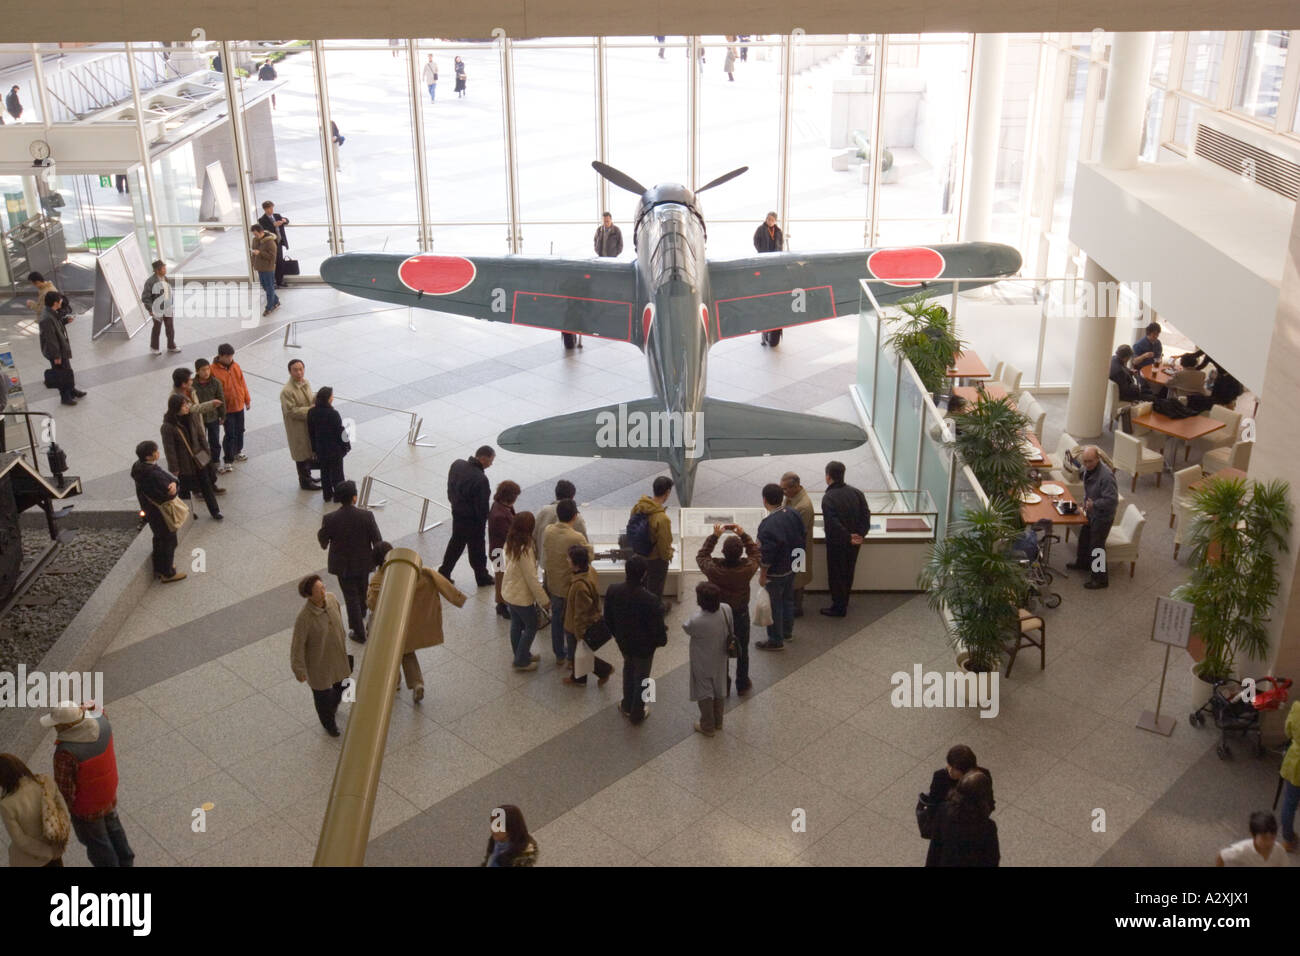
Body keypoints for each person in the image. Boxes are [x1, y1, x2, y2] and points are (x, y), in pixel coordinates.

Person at [367, 542, 466, 702]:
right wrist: (458, 598)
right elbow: (436, 578)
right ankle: (417, 684)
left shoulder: (378, 579)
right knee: (407, 652)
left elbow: (372, 603)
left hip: (386, 626)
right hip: (406, 625)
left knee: (388, 655)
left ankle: (395, 682)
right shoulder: (411, 571)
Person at [46, 702, 134, 867]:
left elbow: (65, 792)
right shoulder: (103, 723)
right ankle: (126, 860)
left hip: (86, 808)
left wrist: (61, 813)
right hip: (108, 792)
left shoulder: (65, 753)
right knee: (114, 828)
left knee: (98, 843)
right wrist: (86, 708)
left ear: (63, 726)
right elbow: (98, 707)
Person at [696, 523, 759, 695]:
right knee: (743, 649)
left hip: (720, 615)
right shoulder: (747, 569)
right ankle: (743, 683)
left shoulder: (714, 570)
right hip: (740, 613)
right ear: (740, 553)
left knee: (720, 650)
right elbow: (755, 554)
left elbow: (702, 556)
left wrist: (714, 536)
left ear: (723, 552)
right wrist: (744, 534)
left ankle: (724, 683)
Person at [605, 554, 668, 721]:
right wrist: (660, 641)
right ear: (644, 574)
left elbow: (608, 618)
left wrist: (617, 635)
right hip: (644, 647)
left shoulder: (613, 590)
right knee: (642, 676)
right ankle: (637, 712)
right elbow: (657, 628)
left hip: (624, 642)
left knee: (628, 668)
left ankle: (626, 704)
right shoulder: (651, 600)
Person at [318, 480, 383, 642]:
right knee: (362, 588)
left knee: (350, 596)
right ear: (354, 498)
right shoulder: (366, 516)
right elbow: (377, 541)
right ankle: (362, 611)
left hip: (342, 566)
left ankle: (359, 632)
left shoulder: (330, 519)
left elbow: (323, 541)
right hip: (363, 562)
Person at [291, 575, 352, 737]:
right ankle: (328, 723)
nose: (324, 592)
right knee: (322, 696)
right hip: (318, 663)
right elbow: (297, 646)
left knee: (344, 684)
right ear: (309, 596)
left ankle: (331, 708)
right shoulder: (304, 618)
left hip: (337, 655)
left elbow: (338, 617)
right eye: (319, 591)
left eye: (323, 587)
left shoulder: (331, 599)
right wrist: (299, 670)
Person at [923, 745, 994, 866]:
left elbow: (989, 801)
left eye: (955, 768)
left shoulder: (981, 778)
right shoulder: (940, 777)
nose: (949, 770)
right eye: (949, 764)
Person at [543, 498, 593, 670]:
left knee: (556, 619)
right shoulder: (576, 537)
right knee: (571, 623)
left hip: (553, 584)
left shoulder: (548, 531)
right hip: (570, 587)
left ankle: (559, 654)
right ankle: (571, 657)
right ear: (574, 516)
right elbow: (589, 556)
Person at [755, 482, 805, 651]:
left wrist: (763, 575)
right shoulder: (793, 513)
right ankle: (787, 632)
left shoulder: (767, 525)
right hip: (792, 566)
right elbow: (801, 539)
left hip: (775, 573)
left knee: (774, 605)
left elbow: (766, 555)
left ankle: (775, 640)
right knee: (788, 600)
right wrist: (799, 565)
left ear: (764, 500)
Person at [438, 445, 496, 587]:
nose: (491, 464)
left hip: (458, 514)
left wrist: (455, 504)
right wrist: (483, 522)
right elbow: (482, 506)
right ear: (483, 459)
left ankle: (444, 572)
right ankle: (481, 576)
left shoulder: (457, 464)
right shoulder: (481, 479)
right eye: (490, 461)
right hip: (473, 521)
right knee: (477, 549)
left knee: (456, 544)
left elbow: (450, 488)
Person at [0, 752, 69, 867]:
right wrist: (56, 849)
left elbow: (20, 840)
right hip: (55, 850)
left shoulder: (7, 805)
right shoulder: (45, 782)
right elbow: (63, 812)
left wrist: (46, 853)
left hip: (31, 861)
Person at [501, 512, 549, 671]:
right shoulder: (525, 550)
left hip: (509, 592)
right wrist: (544, 600)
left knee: (516, 624)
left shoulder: (510, 541)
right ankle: (521, 661)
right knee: (531, 625)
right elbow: (531, 579)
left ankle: (521, 654)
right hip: (521, 597)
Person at [821, 460, 870, 617]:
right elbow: (866, 515)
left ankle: (838, 607)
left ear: (828, 476)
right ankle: (845, 600)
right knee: (849, 571)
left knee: (836, 574)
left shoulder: (828, 498)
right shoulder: (857, 493)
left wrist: (847, 536)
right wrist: (860, 535)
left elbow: (832, 524)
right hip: (855, 543)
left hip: (837, 544)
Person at [161, 393, 222, 520]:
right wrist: (174, 468)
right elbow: (169, 449)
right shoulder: (168, 426)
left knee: (206, 485)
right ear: (176, 407)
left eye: (187, 404)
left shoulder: (192, 416)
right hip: (184, 463)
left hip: (198, 458)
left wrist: (207, 452)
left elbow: (200, 435)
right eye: (184, 405)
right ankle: (188, 514)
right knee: (184, 490)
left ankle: (215, 511)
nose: (187, 407)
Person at [132, 440, 185, 583]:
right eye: (155, 451)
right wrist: (175, 486)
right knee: (168, 540)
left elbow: (170, 480)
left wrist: (174, 482)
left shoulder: (139, 467)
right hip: (160, 513)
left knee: (158, 538)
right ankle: (167, 572)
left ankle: (160, 567)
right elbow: (168, 492)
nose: (158, 453)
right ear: (149, 456)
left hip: (150, 511)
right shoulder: (152, 474)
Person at [1065, 445, 1118, 589]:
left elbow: (1112, 500)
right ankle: (1083, 563)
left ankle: (1100, 579)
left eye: (1090, 461)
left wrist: (1094, 504)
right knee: (1084, 538)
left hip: (1102, 516)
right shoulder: (1088, 469)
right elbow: (1081, 471)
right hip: (1091, 512)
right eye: (1085, 461)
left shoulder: (1106, 476)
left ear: (1098, 459)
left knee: (1097, 547)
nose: (1087, 465)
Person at [562, 545, 614, 687]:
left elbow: (580, 614)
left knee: (579, 653)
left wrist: (579, 635)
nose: (567, 560)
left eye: (569, 558)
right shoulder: (590, 571)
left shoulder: (579, 586)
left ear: (576, 564)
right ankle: (580, 678)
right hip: (583, 622)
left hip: (575, 627)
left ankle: (603, 671)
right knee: (580, 654)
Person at [684, 582, 731, 736]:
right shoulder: (726, 609)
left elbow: (687, 628)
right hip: (721, 656)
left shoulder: (697, 620)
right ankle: (719, 722)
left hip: (703, 660)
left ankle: (707, 726)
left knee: (705, 691)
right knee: (719, 688)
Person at [170, 367, 225, 496]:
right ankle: (199, 490)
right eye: (189, 379)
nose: (192, 380)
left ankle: (211, 485)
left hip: (198, 429)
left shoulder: (190, 390)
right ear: (183, 383)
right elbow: (193, 408)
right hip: (190, 435)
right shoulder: (176, 398)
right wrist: (211, 404)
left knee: (206, 459)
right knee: (197, 463)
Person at [630, 476, 675, 610]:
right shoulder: (662, 518)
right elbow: (664, 546)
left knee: (641, 584)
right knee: (655, 589)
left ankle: (641, 608)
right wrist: (669, 556)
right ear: (667, 493)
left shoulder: (638, 507)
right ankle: (655, 612)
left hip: (639, 554)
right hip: (655, 559)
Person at [280, 359, 321, 492]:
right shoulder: (287, 391)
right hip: (297, 427)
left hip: (307, 424)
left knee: (307, 451)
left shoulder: (306, 382)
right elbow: (291, 411)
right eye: (295, 370)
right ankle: (304, 481)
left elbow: (310, 399)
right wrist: (311, 410)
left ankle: (308, 476)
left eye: (301, 369)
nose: (299, 372)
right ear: (290, 371)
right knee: (300, 453)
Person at [210, 343, 251, 472]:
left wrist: (247, 400)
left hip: (239, 405)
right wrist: (219, 412)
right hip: (226, 409)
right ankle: (228, 459)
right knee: (230, 434)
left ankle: (237, 451)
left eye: (231, 356)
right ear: (220, 356)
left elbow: (242, 383)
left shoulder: (235, 366)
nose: (230, 359)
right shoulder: (212, 370)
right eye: (227, 356)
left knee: (240, 430)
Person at [780, 472, 814, 617]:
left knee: (798, 579)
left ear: (795, 487)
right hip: (792, 546)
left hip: (799, 548)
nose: (783, 492)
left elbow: (797, 532)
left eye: (785, 489)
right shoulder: (791, 498)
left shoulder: (804, 506)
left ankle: (797, 608)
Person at [39, 292, 83, 405]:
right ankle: (65, 397)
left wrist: (64, 321)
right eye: (60, 300)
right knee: (61, 375)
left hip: (60, 349)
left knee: (67, 371)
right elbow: (51, 340)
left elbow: (55, 328)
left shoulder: (50, 312)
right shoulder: (47, 318)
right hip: (56, 352)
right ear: (55, 303)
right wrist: (56, 356)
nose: (62, 302)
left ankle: (72, 390)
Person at [308, 387, 349, 504]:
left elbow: (311, 432)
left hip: (321, 449)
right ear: (328, 399)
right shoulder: (333, 414)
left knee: (324, 472)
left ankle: (327, 495)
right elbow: (340, 431)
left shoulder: (311, 413)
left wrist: (314, 449)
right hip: (334, 450)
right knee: (338, 474)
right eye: (332, 396)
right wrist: (346, 445)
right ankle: (339, 496)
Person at [488, 480, 520, 619]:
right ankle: (502, 605)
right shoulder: (499, 515)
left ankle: (501, 603)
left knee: (501, 578)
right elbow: (508, 535)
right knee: (502, 579)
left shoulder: (501, 506)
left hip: (498, 550)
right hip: (499, 552)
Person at [753, 212, 784, 345]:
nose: (770, 221)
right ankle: (763, 335)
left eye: (772, 220)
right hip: (764, 259)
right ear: (766, 219)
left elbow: (780, 244)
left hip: (775, 261)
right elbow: (756, 241)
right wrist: (761, 252)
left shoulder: (778, 231)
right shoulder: (761, 229)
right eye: (768, 219)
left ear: (775, 221)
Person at [534, 479, 588, 554]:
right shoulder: (576, 517)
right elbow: (584, 546)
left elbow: (534, 536)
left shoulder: (543, 512)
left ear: (556, 494)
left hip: (545, 562)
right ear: (572, 497)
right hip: (569, 563)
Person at [1215, 812, 1289, 867]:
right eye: (1264, 838)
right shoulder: (1242, 850)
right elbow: (1222, 856)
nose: (1269, 842)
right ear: (1253, 835)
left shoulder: (1279, 850)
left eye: (1272, 837)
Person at [140, 259, 180, 355]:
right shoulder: (150, 282)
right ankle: (154, 347)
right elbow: (145, 298)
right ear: (157, 270)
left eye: (164, 267)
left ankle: (171, 346)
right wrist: (150, 309)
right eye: (163, 268)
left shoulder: (165, 278)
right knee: (157, 329)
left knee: (170, 327)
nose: (165, 269)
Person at [193, 359, 226, 472]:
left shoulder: (216, 382)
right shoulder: (192, 385)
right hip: (199, 419)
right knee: (201, 442)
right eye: (203, 370)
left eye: (208, 369)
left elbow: (221, 399)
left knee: (215, 441)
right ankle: (204, 464)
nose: (206, 372)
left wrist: (223, 415)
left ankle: (216, 462)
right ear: (197, 371)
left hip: (213, 417)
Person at [1278, 700, 1299, 853]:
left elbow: (1288, 731)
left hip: (1296, 763)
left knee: (1290, 803)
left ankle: (1288, 840)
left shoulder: (1298, 707)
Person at [257, 201, 291, 288]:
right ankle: (272, 283)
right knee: (271, 263)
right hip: (270, 244)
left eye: (272, 208)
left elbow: (287, 220)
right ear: (265, 209)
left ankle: (280, 281)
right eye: (268, 208)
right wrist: (273, 225)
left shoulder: (277, 216)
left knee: (280, 262)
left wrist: (284, 220)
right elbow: (264, 231)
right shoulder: (262, 220)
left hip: (279, 242)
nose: (271, 210)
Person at [250, 224, 280, 316]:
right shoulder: (255, 240)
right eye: (254, 234)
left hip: (268, 268)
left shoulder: (270, 242)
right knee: (265, 286)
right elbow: (253, 253)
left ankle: (269, 307)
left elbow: (272, 257)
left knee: (269, 288)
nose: (255, 236)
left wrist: (260, 253)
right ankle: (276, 301)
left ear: (262, 232)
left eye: (256, 234)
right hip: (259, 267)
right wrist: (253, 263)